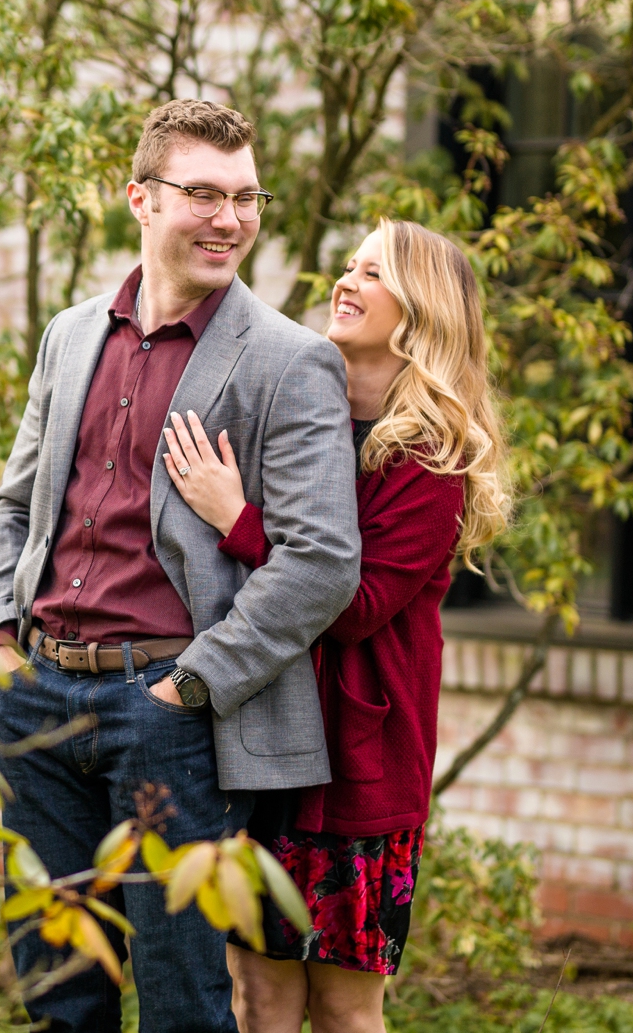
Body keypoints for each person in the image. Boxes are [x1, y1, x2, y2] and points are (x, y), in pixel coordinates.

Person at [0, 99, 363, 1033]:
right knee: (58, 995)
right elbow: (17, 502)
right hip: (35, 697)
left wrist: (190, 686)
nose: (228, 219)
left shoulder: (289, 361)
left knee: (185, 1001)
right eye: (202, 194)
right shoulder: (70, 336)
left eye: (245, 197)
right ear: (140, 199)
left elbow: (322, 561)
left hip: (168, 714)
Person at [158, 217, 512, 1033]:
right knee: (259, 995)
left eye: (373, 273)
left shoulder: (431, 459)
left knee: (346, 1009)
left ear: (422, 309)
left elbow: (347, 607)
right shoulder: (296, 412)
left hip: (355, 772)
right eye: (347, 265)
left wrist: (236, 516)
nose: (344, 282)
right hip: (261, 742)